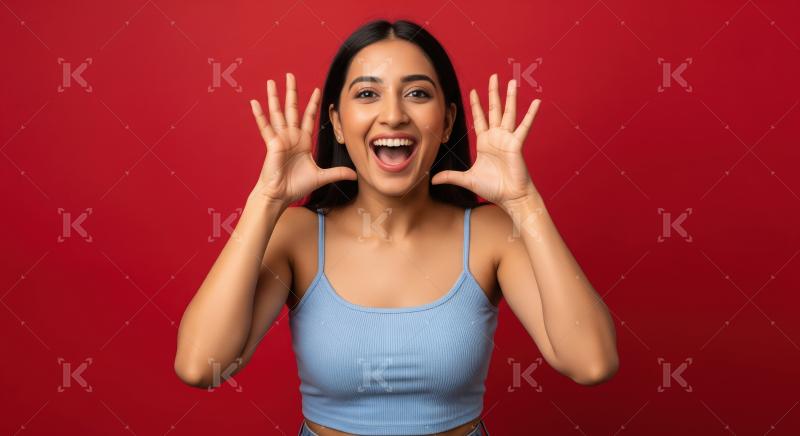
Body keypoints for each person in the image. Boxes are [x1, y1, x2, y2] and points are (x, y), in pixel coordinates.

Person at [174, 19, 619, 436]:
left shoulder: (491, 233)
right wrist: (266, 199)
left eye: (417, 94)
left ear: (445, 123)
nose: (393, 116)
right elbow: (200, 366)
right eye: (367, 94)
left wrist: (524, 203)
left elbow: (592, 363)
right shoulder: (298, 235)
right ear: (337, 124)